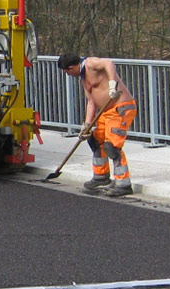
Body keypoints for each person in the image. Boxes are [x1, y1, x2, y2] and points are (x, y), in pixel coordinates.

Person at [55, 54, 138, 196]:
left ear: (72, 67)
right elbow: (92, 102)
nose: (67, 75)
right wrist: (86, 125)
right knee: (95, 140)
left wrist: (112, 84)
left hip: (121, 108)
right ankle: (101, 176)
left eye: (66, 71)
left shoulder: (91, 64)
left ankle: (123, 184)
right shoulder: (83, 79)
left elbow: (109, 63)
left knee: (112, 146)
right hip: (106, 111)